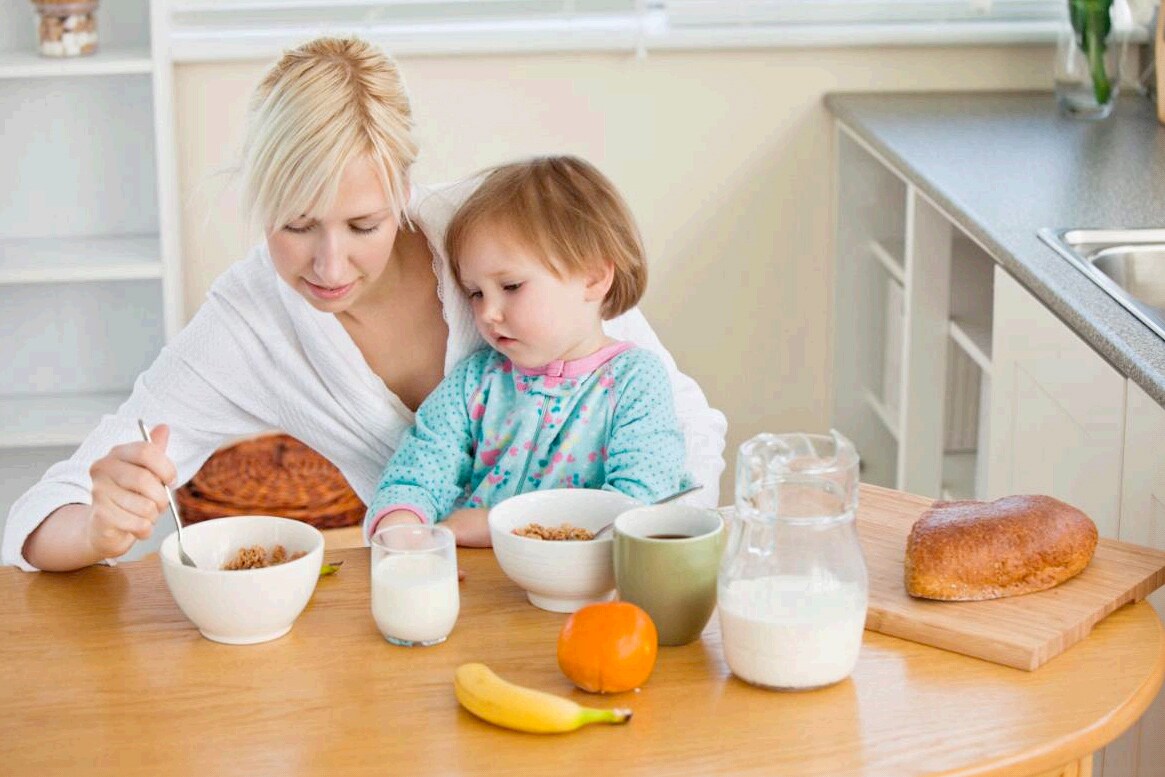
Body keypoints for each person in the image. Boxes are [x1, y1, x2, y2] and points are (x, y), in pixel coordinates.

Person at [1, 36, 727, 573]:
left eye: (363, 225)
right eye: (295, 225)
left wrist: (627, 547)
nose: (328, 265)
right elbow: (37, 517)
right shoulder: (249, 323)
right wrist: (98, 525)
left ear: (405, 188)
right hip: (427, 595)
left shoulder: (505, 236)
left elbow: (683, 424)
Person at [366, 156, 694, 546]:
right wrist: (403, 532)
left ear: (592, 277)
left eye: (511, 286)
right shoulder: (477, 381)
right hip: (481, 586)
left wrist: (501, 525)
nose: (487, 313)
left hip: (589, 584)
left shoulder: (633, 380)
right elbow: (417, 471)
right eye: (475, 293)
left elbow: (639, 504)